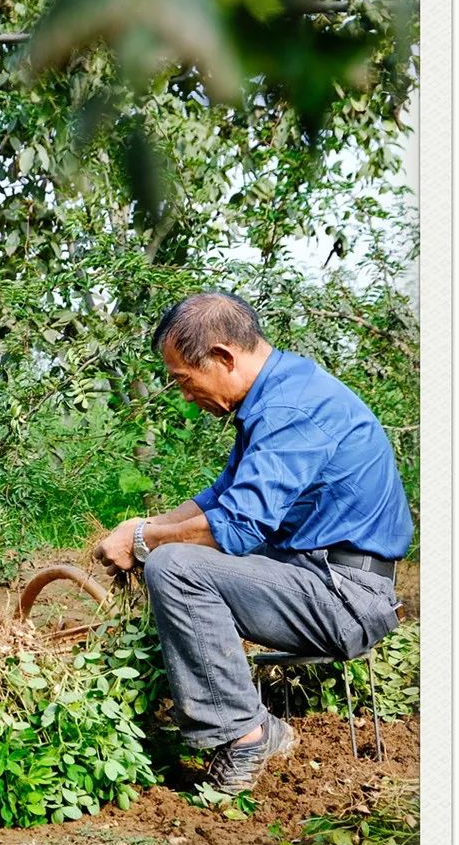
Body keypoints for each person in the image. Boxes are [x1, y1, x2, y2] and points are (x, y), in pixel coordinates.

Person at [95, 292, 412, 794]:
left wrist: (143, 540)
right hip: (314, 575)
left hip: (345, 596)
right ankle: (257, 726)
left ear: (223, 357)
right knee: (172, 552)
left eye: (183, 379)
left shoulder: (291, 409)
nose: (184, 394)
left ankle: (245, 736)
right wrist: (144, 523)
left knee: (175, 566)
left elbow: (237, 528)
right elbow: (219, 498)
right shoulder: (278, 393)